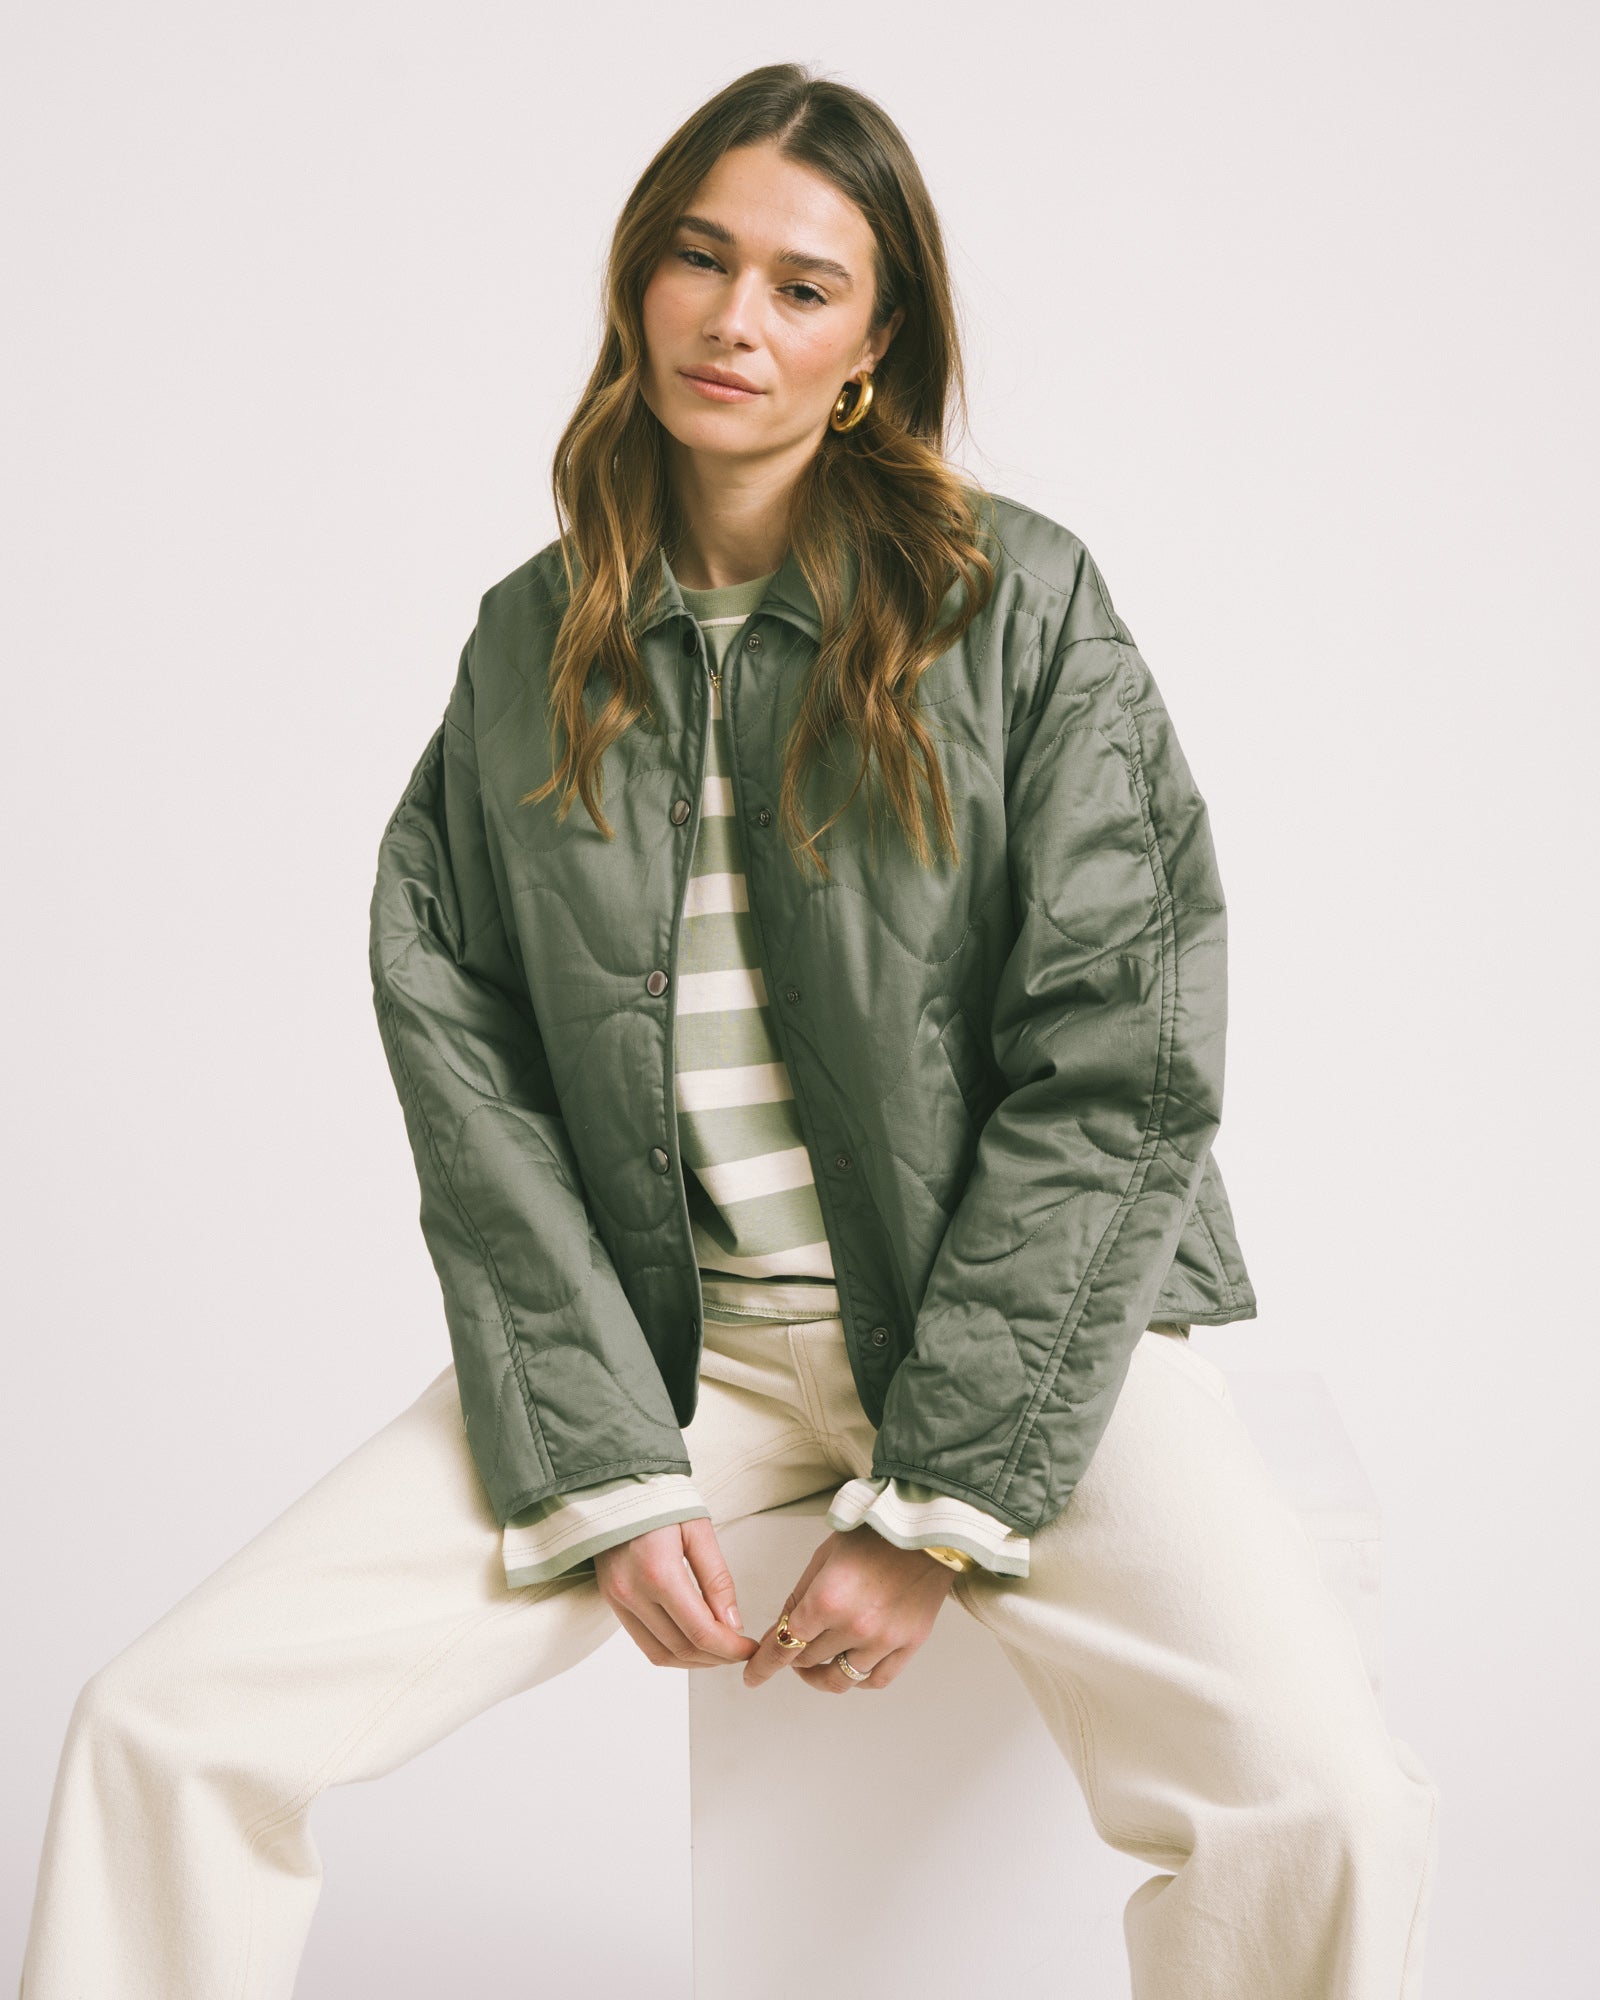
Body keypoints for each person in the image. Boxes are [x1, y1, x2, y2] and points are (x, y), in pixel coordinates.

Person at [18, 61, 1439, 1999]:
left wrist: (938, 1505)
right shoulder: (530, 646)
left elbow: (1124, 1057)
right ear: (638, 280)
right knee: (164, 1728)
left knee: (1325, 1808)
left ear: (872, 347)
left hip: (1011, 1335)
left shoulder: (1012, 605)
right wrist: (606, 1463)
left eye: (801, 284)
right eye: (699, 259)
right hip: (678, 1350)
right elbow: (464, 1063)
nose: (733, 319)